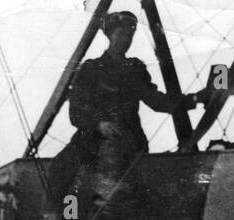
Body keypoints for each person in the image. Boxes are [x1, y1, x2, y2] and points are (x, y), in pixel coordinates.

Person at [51, 10, 196, 208]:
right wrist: (98, 124)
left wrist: (194, 100)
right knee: (58, 170)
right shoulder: (91, 68)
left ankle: (97, 212)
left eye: (130, 35)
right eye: (121, 34)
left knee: (116, 192)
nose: (126, 40)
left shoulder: (134, 68)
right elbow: (75, 112)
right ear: (110, 35)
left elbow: (156, 101)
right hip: (91, 140)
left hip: (126, 139)